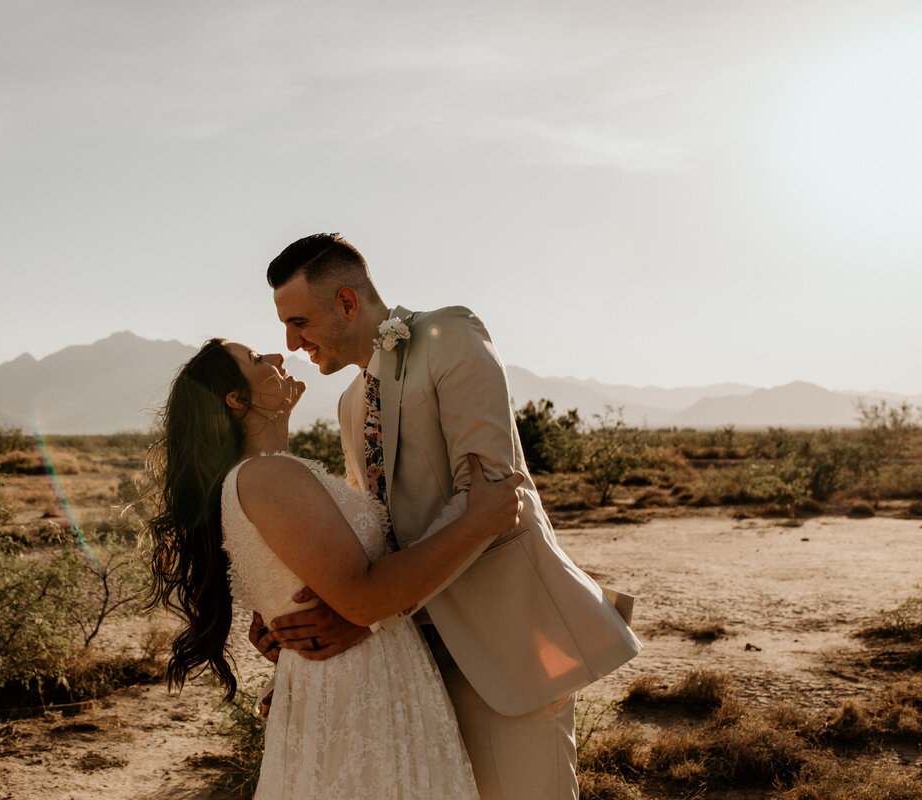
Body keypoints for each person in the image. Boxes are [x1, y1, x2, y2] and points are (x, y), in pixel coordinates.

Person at [251, 233, 643, 799]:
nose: (289, 342)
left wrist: (373, 610)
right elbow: (374, 533)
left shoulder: (450, 335)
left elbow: (489, 494)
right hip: (414, 673)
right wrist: (304, 615)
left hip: (511, 648)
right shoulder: (349, 404)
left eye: (299, 322)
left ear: (345, 302)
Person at [145, 337, 529, 798]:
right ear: (236, 399)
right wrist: (477, 523)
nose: (276, 356)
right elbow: (363, 597)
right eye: (254, 359)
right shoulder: (268, 475)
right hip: (358, 692)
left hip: (351, 685)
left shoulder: (265, 474)